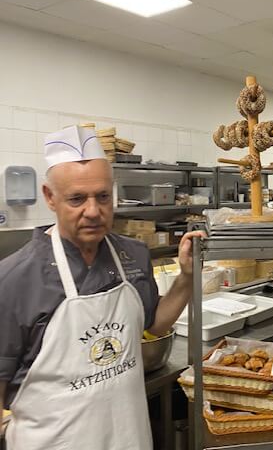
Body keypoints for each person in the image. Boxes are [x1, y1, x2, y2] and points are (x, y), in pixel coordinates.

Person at [0, 126, 205, 449]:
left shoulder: (133, 254)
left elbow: (154, 324)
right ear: (50, 197)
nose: (93, 211)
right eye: (77, 199)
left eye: (103, 196)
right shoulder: (15, 279)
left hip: (130, 438)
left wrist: (186, 277)